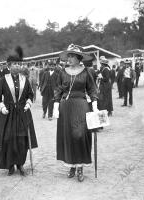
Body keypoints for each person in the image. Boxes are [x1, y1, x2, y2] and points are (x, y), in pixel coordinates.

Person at [53, 44, 98, 182]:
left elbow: (92, 89)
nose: (69, 58)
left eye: (72, 56)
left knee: (80, 135)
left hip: (81, 105)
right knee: (68, 136)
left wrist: (95, 106)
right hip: (66, 107)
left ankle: (80, 167)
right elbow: (59, 89)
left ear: (79, 58)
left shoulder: (87, 72)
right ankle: (71, 166)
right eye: (69, 56)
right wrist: (56, 105)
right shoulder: (63, 72)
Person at [0, 46, 38, 176]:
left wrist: (28, 104)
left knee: (22, 139)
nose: (17, 66)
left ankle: (20, 164)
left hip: (23, 112)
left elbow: (30, 94)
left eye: (19, 64)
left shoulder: (25, 79)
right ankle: (10, 164)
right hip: (8, 113)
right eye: (14, 64)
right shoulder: (3, 80)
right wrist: (2, 107)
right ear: (8, 65)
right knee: (9, 139)